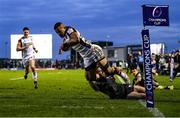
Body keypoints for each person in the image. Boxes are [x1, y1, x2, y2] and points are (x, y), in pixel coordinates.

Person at [54, 22, 124, 91]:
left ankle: (123, 78)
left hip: (92, 51)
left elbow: (76, 40)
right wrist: (63, 48)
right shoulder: (65, 38)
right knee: (90, 78)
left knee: (108, 71)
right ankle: (111, 86)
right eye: (57, 33)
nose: (59, 34)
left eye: (59, 31)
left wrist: (65, 45)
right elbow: (67, 46)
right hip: (86, 57)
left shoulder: (70, 30)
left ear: (63, 27)